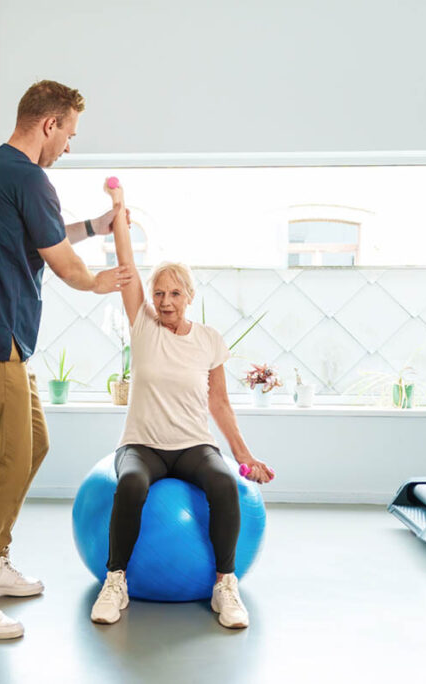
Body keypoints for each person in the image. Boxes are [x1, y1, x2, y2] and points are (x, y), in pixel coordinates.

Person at [0, 81, 132, 640]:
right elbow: (67, 266)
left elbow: (40, 235)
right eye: (68, 134)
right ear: (48, 124)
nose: (68, 146)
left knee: (34, 443)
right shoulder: (30, 178)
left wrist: (98, 226)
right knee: (5, 463)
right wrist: (105, 281)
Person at [89, 178, 274, 629]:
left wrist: (244, 457)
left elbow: (221, 403)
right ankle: (115, 582)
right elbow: (128, 265)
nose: (165, 301)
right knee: (130, 484)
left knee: (224, 483)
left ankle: (224, 585)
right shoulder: (143, 327)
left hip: (193, 444)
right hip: (143, 444)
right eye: (159, 294)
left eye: (175, 294)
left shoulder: (209, 340)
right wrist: (118, 207)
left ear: (190, 297)